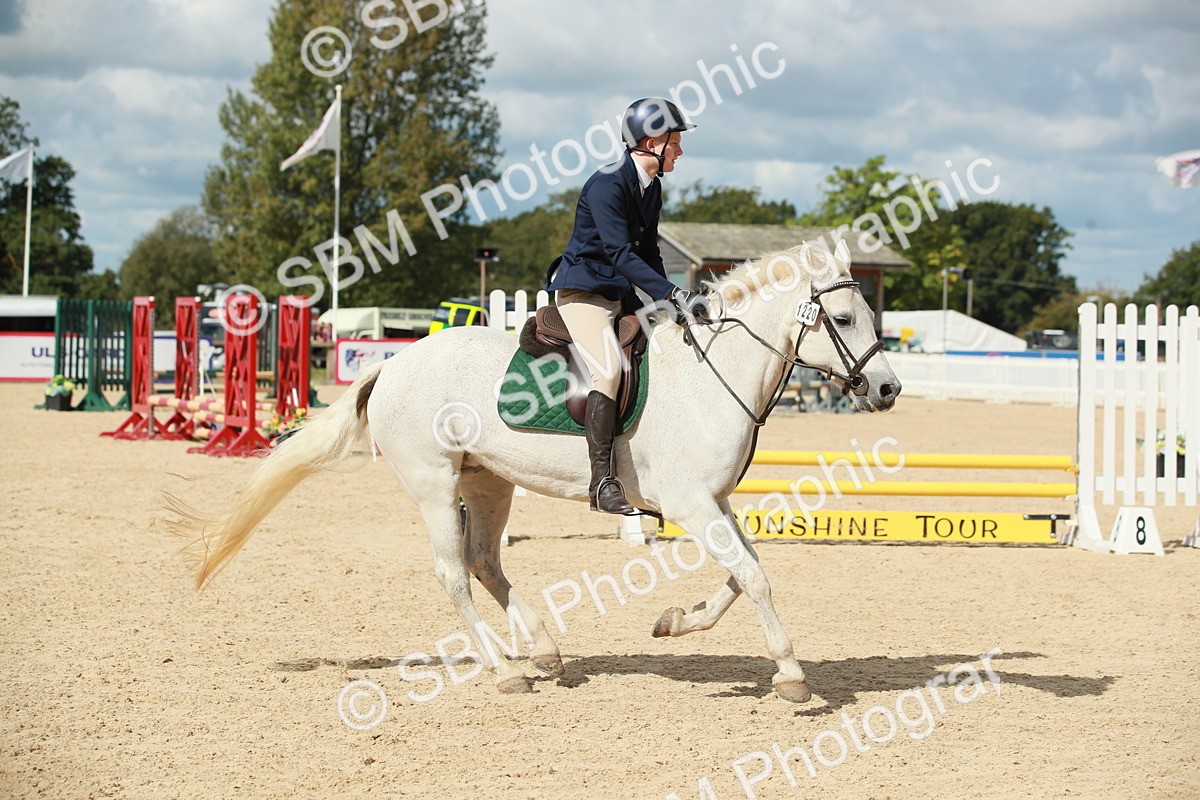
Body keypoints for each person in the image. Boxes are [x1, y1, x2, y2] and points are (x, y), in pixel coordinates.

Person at [545, 97, 711, 514]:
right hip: (584, 293)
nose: (681, 150)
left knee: (667, 350)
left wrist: (672, 302)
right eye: (676, 141)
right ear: (654, 140)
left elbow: (649, 252)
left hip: (620, 294)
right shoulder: (607, 183)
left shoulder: (651, 186)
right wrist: (671, 294)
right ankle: (602, 483)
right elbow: (619, 252)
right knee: (610, 369)